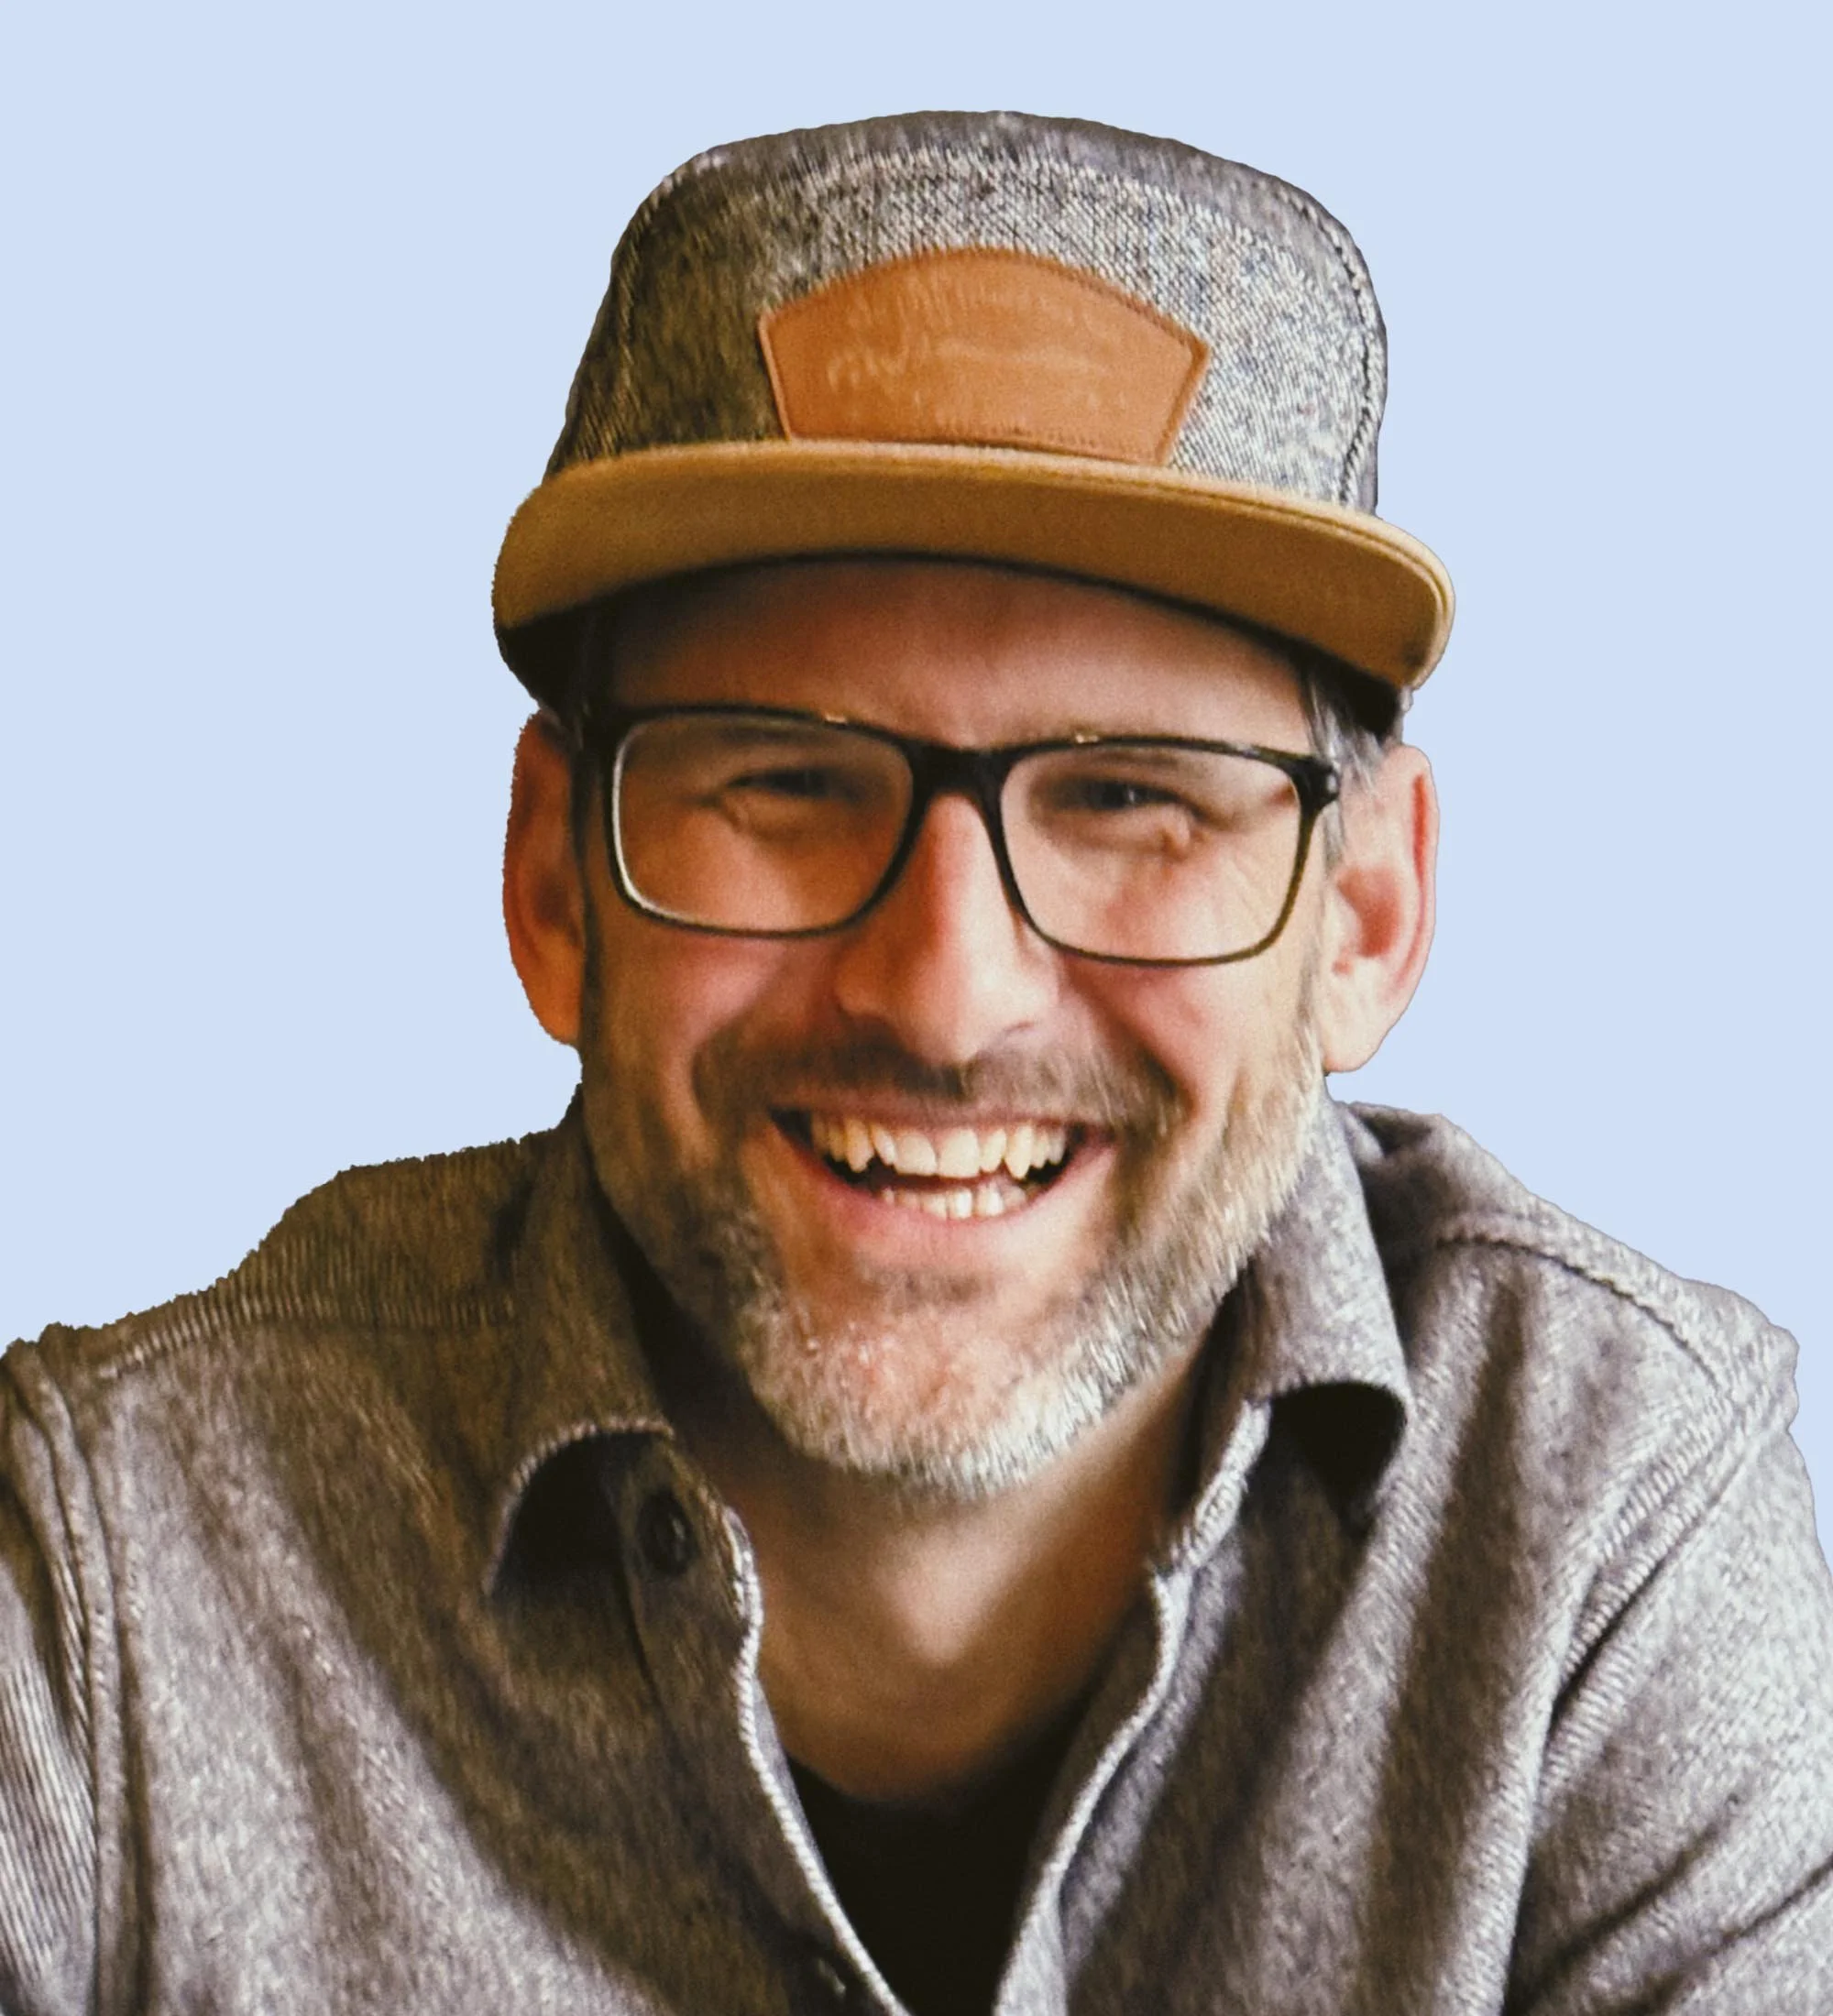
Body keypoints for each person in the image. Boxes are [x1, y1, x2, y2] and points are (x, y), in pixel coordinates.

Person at [3, 108, 1830, 2016]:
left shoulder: (1606, 1533)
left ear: (1363, 914)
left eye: (1131, 797)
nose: (949, 994)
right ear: (556, 878)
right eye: (786, 780)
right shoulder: (109, 1590)